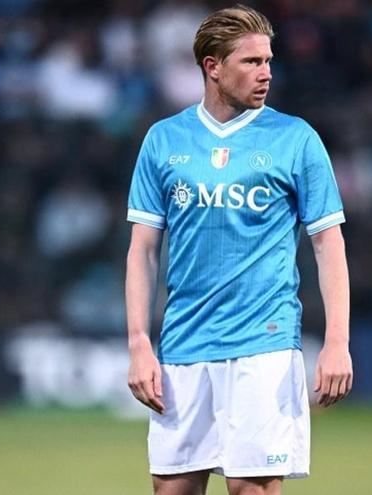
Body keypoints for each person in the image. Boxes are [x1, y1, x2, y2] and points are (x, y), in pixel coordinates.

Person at [125, 5, 352, 495]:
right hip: (183, 345)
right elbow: (143, 250)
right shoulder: (164, 141)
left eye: (268, 61)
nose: (266, 73)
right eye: (251, 62)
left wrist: (337, 341)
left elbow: (328, 244)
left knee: (251, 488)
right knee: (172, 490)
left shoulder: (296, 139)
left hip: (263, 344)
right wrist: (140, 344)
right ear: (213, 67)